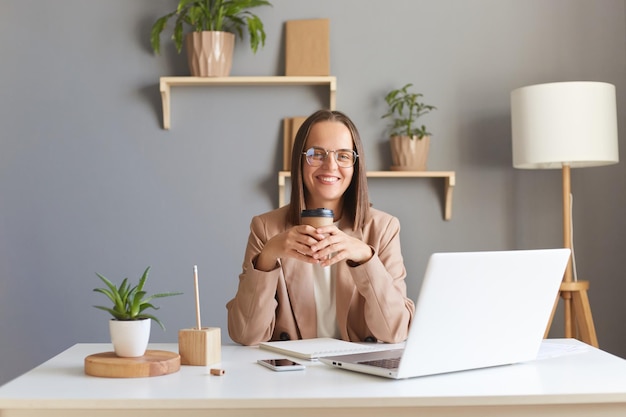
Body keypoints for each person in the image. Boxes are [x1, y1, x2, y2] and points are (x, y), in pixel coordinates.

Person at [226, 109, 415, 346]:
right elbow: (245, 335)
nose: (330, 166)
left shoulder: (383, 228)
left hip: (358, 374)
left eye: (343, 156)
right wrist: (268, 256)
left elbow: (395, 331)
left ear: (355, 164)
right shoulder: (265, 228)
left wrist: (366, 258)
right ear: (300, 161)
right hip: (290, 375)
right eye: (317, 154)